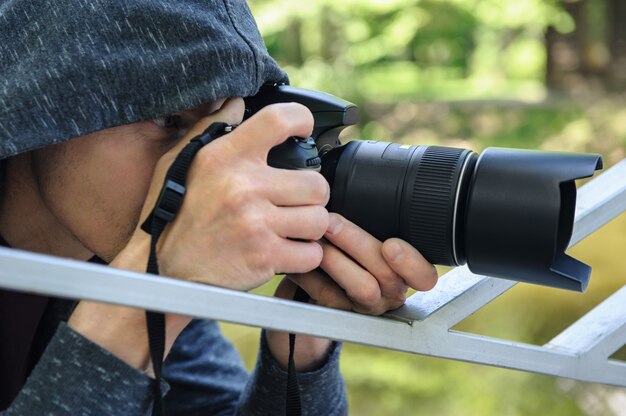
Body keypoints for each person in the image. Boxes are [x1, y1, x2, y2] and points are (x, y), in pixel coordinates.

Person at [0, 1, 438, 414]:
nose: (207, 169)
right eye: (169, 120)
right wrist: (151, 285)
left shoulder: (115, 253)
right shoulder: (144, 251)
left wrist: (301, 339)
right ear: (40, 103)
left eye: (224, 128)